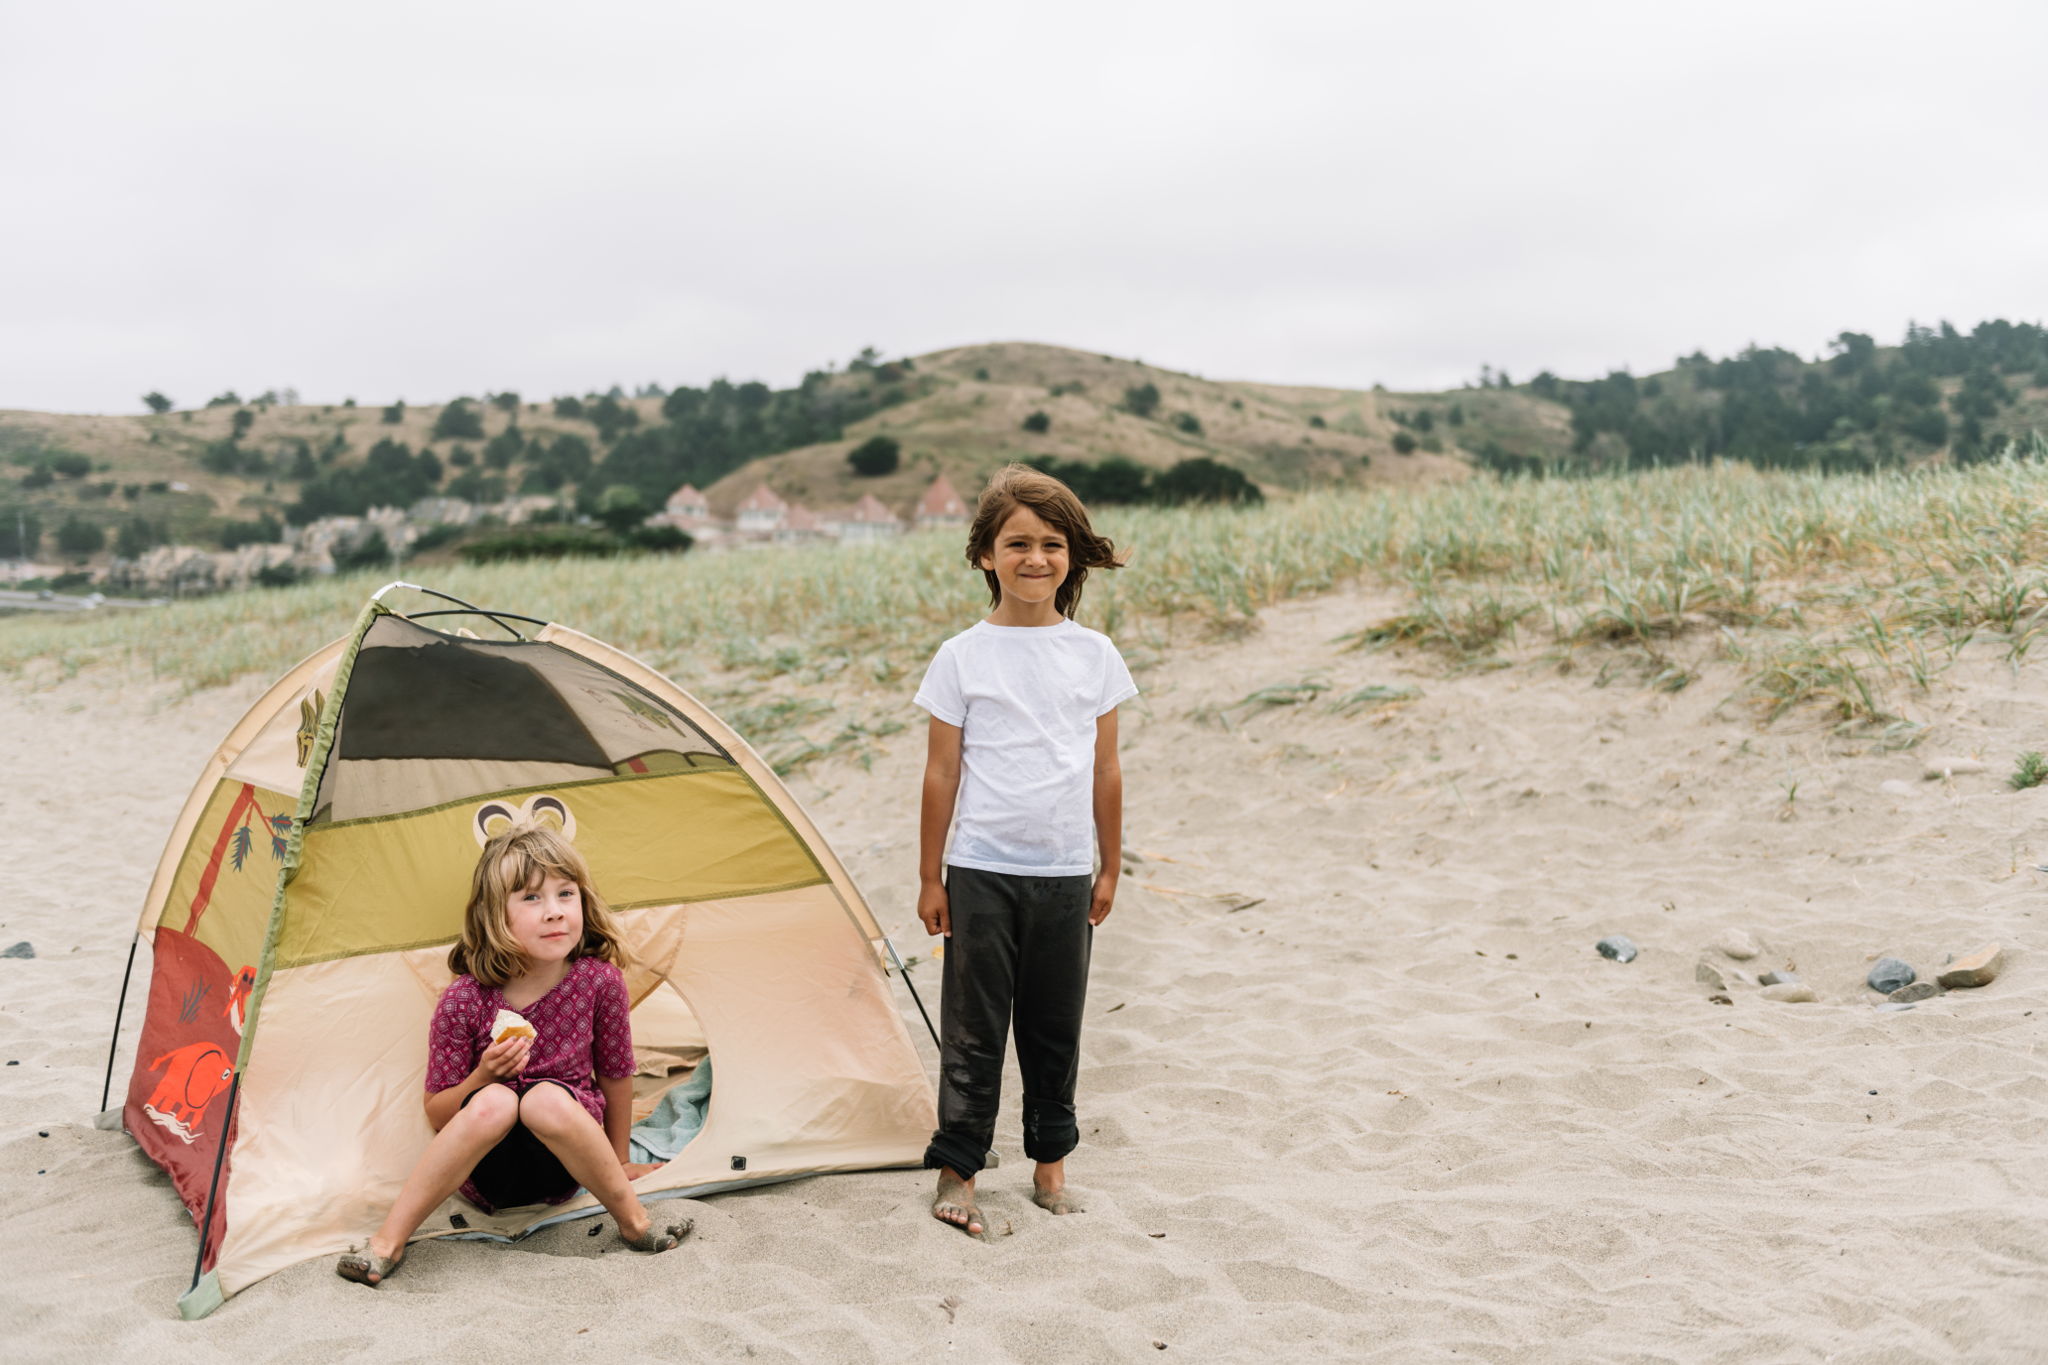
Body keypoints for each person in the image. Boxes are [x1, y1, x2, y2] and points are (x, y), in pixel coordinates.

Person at [914, 463, 1136, 1239]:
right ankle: (960, 1168)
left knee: (1054, 1024)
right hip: (980, 868)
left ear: (1071, 556)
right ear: (985, 554)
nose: (1035, 558)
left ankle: (1050, 1165)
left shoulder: (1096, 654)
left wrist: (1110, 863)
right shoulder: (961, 656)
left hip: (1065, 871)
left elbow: (1107, 769)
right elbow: (941, 771)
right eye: (1017, 543)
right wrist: (930, 875)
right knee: (973, 1028)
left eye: (1051, 543)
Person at [336, 821, 690, 1286]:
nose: (554, 912)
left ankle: (634, 1223)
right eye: (531, 898)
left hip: (564, 1164)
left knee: (543, 1098)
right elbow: (438, 1111)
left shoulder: (598, 982)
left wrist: (620, 1161)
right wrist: (483, 1077)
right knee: (497, 1101)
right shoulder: (464, 999)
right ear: (494, 915)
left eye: (566, 894)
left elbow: (616, 1074)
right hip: (488, 1177)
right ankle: (387, 1243)